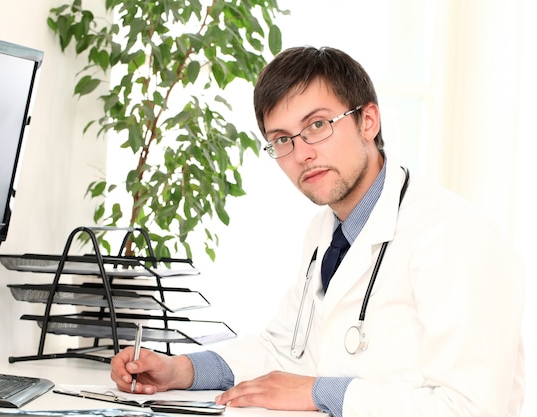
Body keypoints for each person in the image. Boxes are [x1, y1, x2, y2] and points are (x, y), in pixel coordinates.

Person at [110, 46, 525, 417]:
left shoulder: (455, 235)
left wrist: (320, 392)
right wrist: (180, 369)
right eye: (282, 139)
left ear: (368, 121)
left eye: (318, 125)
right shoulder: (326, 231)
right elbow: (285, 348)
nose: (302, 153)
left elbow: (471, 407)